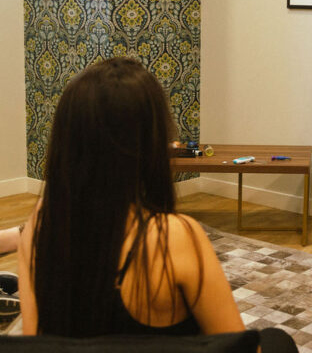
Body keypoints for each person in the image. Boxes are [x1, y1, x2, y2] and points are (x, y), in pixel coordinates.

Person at [15, 58, 295, 351]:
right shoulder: (174, 236)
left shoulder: (38, 229)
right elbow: (239, 349)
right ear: (151, 141)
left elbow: (36, 342)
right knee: (278, 341)